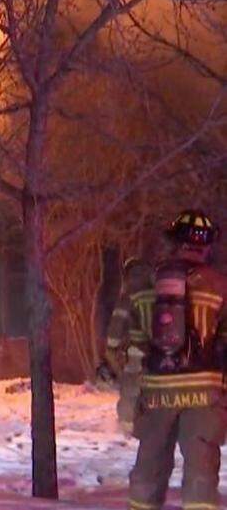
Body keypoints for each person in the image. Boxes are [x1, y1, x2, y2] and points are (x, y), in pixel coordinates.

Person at [126, 209, 227, 510]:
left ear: (173, 242)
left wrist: (134, 388)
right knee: (200, 472)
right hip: (204, 394)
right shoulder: (221, 286)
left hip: (156, 393)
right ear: (207, 246)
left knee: (149, 467)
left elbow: (130, 345)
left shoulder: (146, 285)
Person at [105, 257, 155, 434]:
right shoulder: (159, 292)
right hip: (163, 354)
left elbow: (117, 324)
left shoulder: (130, 295)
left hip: (138, 353)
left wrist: (111, 348)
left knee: (130, 389)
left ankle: (127, 427)